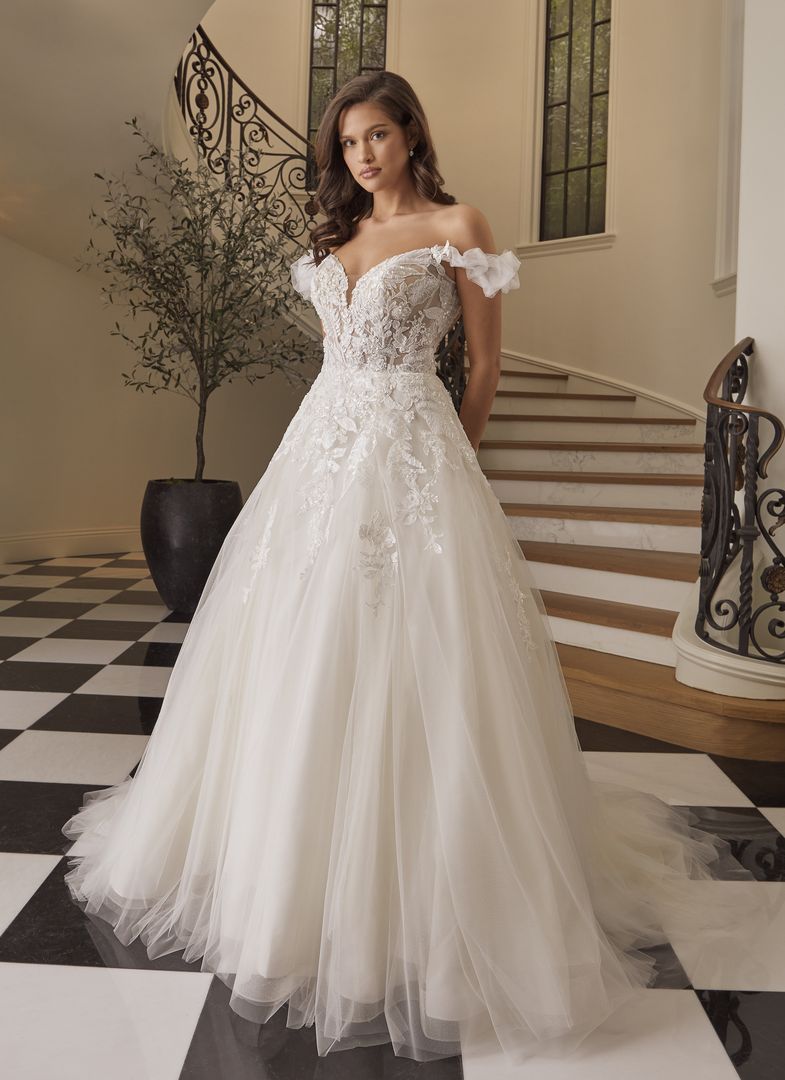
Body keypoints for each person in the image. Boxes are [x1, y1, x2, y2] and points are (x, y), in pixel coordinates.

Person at [62, 70, 755, 1066]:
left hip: (414, 451)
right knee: (302, 651)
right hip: (318, 455)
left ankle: (436, 882)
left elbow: (480, 365)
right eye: (347, 143)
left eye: (377, 136)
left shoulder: (457, 223)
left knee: (423, 657)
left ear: (408, 134)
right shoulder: (332, 238)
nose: (363, 156)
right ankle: (288, 872)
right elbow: (333, 358)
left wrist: (449, 457)